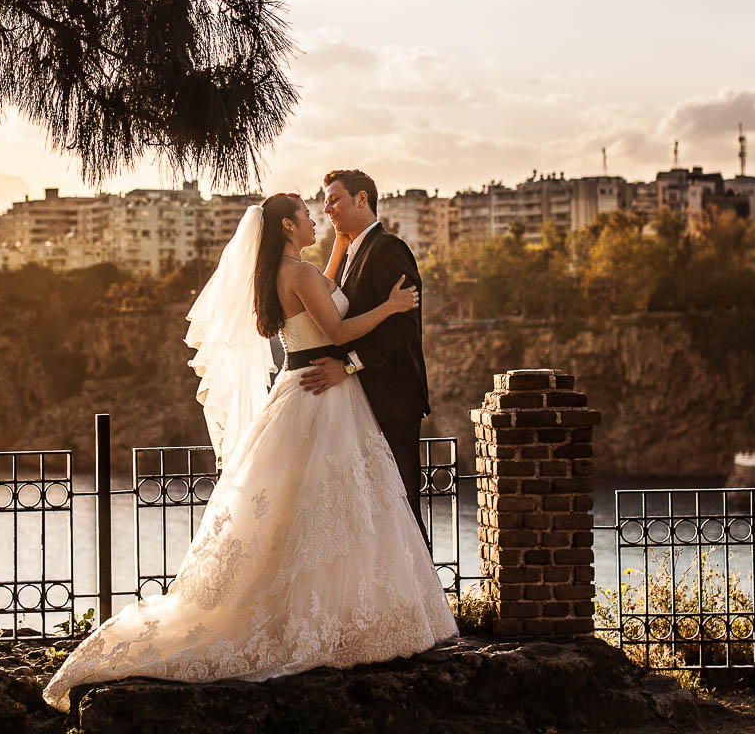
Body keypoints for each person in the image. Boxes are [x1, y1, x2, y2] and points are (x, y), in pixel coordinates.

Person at [41, 192, 455, 710]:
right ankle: (336, 619)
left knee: (301, 512)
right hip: (322, 394)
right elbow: (339, 328)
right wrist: (393, 306)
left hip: (298, 386)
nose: (315, 219)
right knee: (338, 509)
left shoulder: (284, 272)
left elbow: (319, 291)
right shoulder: (300, 276)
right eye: (307, 214)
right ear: (287, 224)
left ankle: (307, 613)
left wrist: (339, 247)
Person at [294, 168, 431, 530]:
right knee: (374, 516)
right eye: (324, 203)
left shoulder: (388, 249)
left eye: (334, 199)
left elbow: (401, 327)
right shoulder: (354, 252)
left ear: (361, 199)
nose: (327, 209)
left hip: (393, 399)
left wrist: (349, 366)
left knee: (401, 510)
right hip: (361, 402)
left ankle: (421, 588)